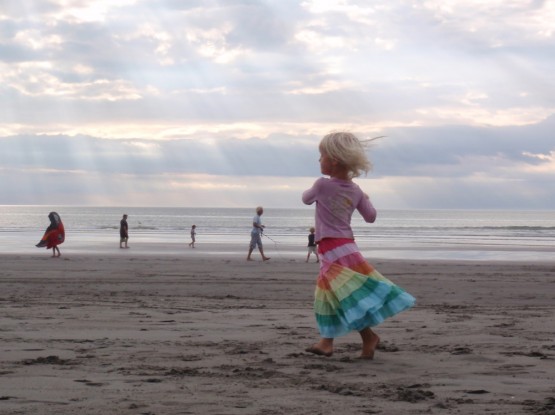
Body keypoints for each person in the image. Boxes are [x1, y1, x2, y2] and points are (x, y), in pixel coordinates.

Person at [302, 131, 415, 359]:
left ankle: (345, 340)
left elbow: (306, 198)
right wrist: (364, 197)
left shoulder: (322, 185)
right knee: (338, 295)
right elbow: (371, 216)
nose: (319, 160)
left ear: (333, 160)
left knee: (337, 294)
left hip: (331, 248)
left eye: (321, 155)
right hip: (348, 247)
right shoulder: (356, 191)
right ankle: (335, 341)